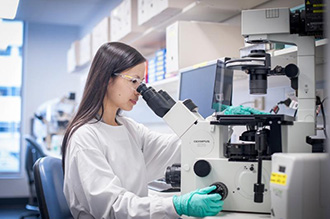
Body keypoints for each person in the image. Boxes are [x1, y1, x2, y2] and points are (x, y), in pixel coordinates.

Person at [62, 42, 224, 218]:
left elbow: (178, 147)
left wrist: (217, 121)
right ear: (107, 78)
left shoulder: (130, 128)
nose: (139, 91)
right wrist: (175, 206)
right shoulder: (85, 137)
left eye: (141, 83)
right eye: (133, 81)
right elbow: (112, 207)